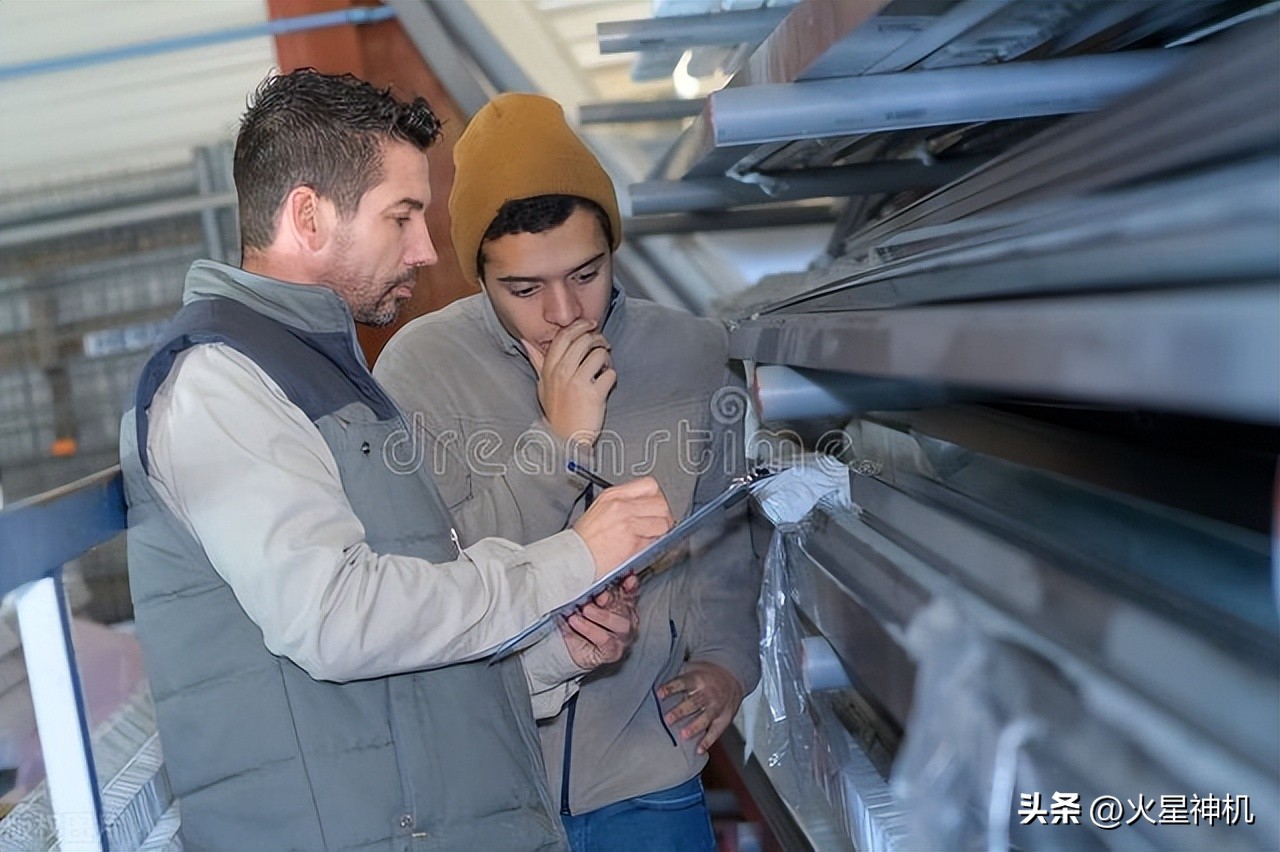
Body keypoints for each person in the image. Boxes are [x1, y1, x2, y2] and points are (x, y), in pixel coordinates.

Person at [118, 70, 674, 851]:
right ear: (307, 215)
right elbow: (337, 621)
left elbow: (397, 650)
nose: (424, 247)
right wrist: (571, 560)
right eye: (402, 216)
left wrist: (551, 655)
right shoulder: (220, 382)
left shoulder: (320, 372)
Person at [375, 93, 762, 852]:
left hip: (649, 777)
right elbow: (431, 575)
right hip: (486, 792)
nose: (563, 311)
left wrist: (727, 662)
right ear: (478, 276)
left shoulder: (690, 352)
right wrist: (560, 442)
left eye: (587, 272)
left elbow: (724, 530)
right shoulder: (419, 370)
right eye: (524, 289)